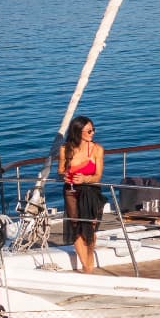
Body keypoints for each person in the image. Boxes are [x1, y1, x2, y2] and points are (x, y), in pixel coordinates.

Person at [58, 115, 104, 274]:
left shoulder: (97, 149)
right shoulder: (65, 149)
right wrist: (63, 175)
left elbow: (98, 176)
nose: (93, 133)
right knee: (76, 227)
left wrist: (85, 178)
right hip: (71, 191)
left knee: (90, 227)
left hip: (90, 190)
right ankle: (86, 266)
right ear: (79, 132)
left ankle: (89, 260)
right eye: (89, 131)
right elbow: (60, 170)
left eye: (93, 130)